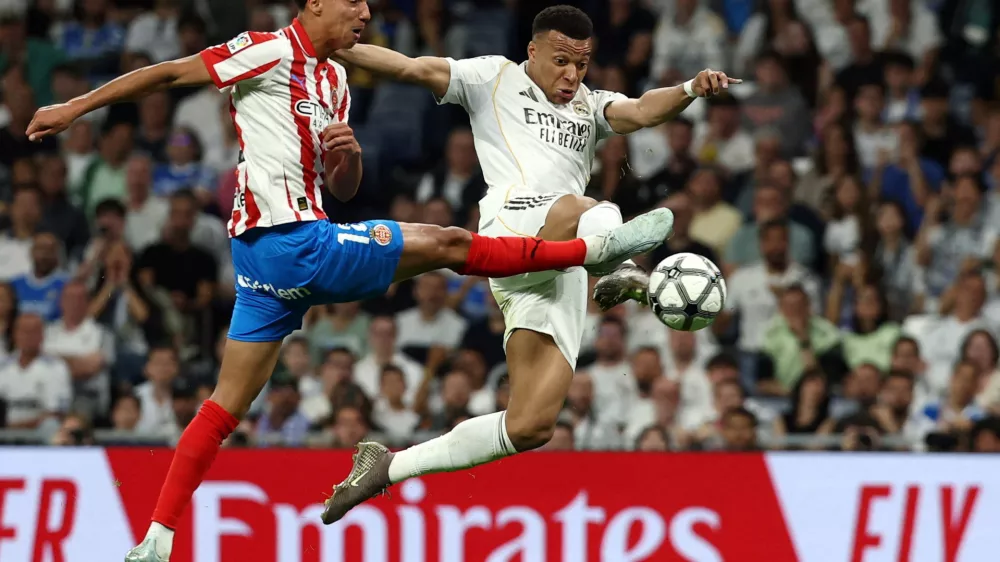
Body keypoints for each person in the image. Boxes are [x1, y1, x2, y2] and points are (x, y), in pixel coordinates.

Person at [25, 2, 671, 561]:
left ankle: (157, 539)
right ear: (312, 3)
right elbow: (168, 73)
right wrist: (75, 108)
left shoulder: (335, 81)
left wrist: (348, 160)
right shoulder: (265, 51)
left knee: (222, 410)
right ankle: (593, 252)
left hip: (273, 265)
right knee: (447, 242)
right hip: (290, 248)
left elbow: (342, 190)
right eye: (354, 1)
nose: (364, 14)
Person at [327, 4, 737, 524]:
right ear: (534, 50)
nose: (572, 75)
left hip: (557, 268)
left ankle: (388, 466)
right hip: (511, 226)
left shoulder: (590, 105)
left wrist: (689, 90)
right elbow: (411, 66)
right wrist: (331, 44)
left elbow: (640, 111)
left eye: (582, 65)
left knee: (531, 425)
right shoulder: (490, 77)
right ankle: (618, 267)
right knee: (586, 209)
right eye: (562, 61)